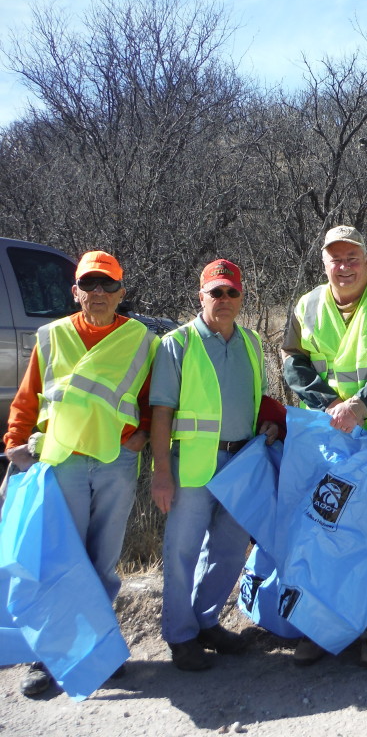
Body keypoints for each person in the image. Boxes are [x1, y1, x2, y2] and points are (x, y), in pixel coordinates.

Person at [4, 250, 158, 697]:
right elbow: (28, 395)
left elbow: (152, 397)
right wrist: (15, 443)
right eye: (89, 285)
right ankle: (48, 656)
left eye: (108, 285)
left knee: (103, 560)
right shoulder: (51, 336)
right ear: (75, 292)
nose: (98, 294)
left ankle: (97, 651)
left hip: (115, 459)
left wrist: (142, 434)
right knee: (58, 557)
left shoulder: (141, 339)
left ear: (121, 293)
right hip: (62, 459)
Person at [281, 224, 367, 668]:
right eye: (336, 258)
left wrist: (358, 406)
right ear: (324, 264)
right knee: (321, 528)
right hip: (327, 436)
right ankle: (317, 627)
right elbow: (293, 362)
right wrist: (331, 405)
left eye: (352, 257)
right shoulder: (306, 305)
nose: (344, 266)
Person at [150, 259, 283, 672]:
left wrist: (269, 425)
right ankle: (180, 635)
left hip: (242, 464)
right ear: (201, 295)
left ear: (241, 297)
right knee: (182, 553)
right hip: (191, 467)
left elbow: (256, 398)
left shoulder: (251, 341)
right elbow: (161, 413)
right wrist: (160, 473)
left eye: (232, 292)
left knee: (227, 552)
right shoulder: (178, 343)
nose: (224, 299)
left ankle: (206, 621)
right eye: (215, 292)